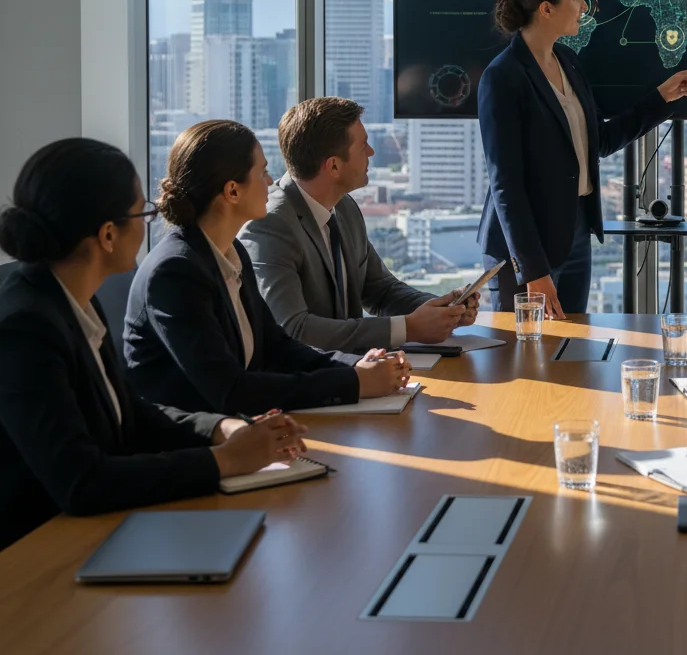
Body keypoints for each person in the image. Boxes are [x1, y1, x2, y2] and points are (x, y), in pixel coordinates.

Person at [0, 138, 308, 551]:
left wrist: (222, 429)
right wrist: (226, 460)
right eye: (142, 213)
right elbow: (82, 481)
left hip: (93, 532)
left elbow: (130, 411)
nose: (150, 223)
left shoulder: (70, 297)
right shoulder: (25, 329)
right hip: (35, 554)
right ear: (108, 234)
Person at [124, 120, 409, 416]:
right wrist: (354, 382)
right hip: (193, 437)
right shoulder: (176, 272)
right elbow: (232, 390)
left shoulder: (232, 252)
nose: (271, 181)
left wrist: (356, 366)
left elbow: (278, 347)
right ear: (232, 191)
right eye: (262, 172)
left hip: (243, 427)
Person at [477, 0, 687, 316]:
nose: (584, 6)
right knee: (525, 349)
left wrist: (662, 98)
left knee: (571, 345)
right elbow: (506, 184)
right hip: (523, 249)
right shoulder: (502, 77)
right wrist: (533, 270)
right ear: (547, 9)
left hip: (575, 235)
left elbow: (600, 140)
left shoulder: (568, 61)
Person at [239, 98, 479, 352]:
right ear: (333, 166)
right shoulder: (269, 226)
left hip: (352, 368)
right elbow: (294, 330)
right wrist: (407, 329)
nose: (371, 152)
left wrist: (446, 310)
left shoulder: (344, 207)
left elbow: (381, 291)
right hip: (310, 374)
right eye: (363, 146)